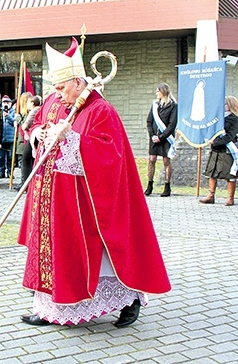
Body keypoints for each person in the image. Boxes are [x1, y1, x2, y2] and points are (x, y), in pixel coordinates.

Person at [18, 37, 170, 328]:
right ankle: (51, 308)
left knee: (105, 257)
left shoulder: (102, 111)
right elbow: (42, 127)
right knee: (58, 254)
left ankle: (130, 301)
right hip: (56, 199)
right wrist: (43, 135)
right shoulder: (61, 103)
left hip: (89, 205)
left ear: (78, 81)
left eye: (61, 88)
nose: (57, 94)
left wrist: (72, 140)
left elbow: (109, 156)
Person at [199, 95, 238, 206]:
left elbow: (230, 136)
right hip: (215, 150)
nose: (222, 106)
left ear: (230, 105)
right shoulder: (217, 117)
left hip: (227, 150)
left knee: (230, 175)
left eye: (224, 104)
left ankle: (230, 198)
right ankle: (211, 196)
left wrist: (215, 142)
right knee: (212, 173)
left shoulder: (235, 119)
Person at [144, 83, 177, 197]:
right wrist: (152, 135)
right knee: (152, 159)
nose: (156, 93)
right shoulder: (155, 105)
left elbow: (172, 124)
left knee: (166, 161)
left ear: (163, 92)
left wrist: (161, 137)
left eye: (158, 91)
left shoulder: (173, 106)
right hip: (154, 138)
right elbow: (149, 121)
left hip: (166, 138)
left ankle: (167, 186)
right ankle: (149, 185)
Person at [15, 94, 42, 190]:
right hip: (34, 138)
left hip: (33, 138)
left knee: (26, 161)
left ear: (32, 103)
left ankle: (25, 184)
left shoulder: (34, 111)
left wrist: (17, 118)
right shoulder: (40, 109)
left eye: (28, 103)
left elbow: (25, 125)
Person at [0, 95, 16, 179]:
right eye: (4, 102)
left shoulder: (14, 112)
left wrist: (8, 116)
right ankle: (1, 171)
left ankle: (10, 171)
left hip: (11, 137)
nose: (6, 104)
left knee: (10, 157)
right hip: (1, 138)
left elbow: (15, 123)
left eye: (7, 102)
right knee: (1, 157)